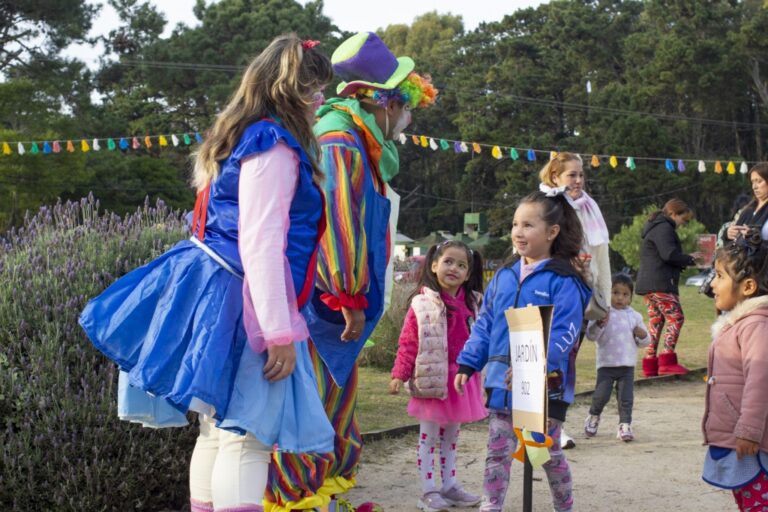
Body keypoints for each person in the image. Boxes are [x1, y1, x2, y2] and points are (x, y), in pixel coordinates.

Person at [79, 34, 335, 512]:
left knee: (217, 431)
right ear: (292, 93)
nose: (321, 103)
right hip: (244, 297)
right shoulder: (273, 145)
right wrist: (277, 331)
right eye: (316, 91)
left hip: (218, 287)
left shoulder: (242, 136)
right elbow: (260, 242)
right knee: (246, 435)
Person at [264, 32, 437, 512]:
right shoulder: (340, 140)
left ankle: (327, 498)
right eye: (405, 104)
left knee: (334, 402)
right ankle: (299, 502)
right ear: (384, 102)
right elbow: (339, 226)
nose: (408, 117)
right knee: (313, 406)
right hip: (325, 305)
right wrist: (347, 297)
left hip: (334, 303)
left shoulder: (357, 136)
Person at [454, 191, 591, 512]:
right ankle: (491, 506)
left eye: (528, 225)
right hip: (503, 382)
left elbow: (566, 332)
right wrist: (467, 363)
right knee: (497, 450)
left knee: (542, 452)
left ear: (552, 232)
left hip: (546, 388)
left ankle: (564, 506)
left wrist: (538, 364)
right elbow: (485, 323)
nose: (518, 231)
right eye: (515, 224)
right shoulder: (503, 276)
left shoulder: (564, 281)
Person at [388, 240, 487, 512]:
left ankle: (450, 485)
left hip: (461, 382)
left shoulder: (474, 304)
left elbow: (483, 339)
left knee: (452, 437)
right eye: (448, 262)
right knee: (428, 437)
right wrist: (399, 373)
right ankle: (428, 491)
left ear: (468, 273)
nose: (453, 268)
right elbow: (408, 343)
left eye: (461, 265)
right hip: (432, 380)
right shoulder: (421, 304)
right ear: (434, 266)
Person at [539, 151, 611, 450]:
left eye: (581, 174)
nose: (579, 180)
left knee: (566, 364)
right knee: (547, 362)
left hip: (582, 296)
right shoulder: (546, 206)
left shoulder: (590, 207)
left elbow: (602, 257)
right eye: (572, 175)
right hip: (552, 295)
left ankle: (557, 426)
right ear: (555, 177)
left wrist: (604, 301)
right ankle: (541, 423)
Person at [702, 229, 768, 511]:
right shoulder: (739, 323)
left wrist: (750, 430)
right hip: (737, 437)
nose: (712, 285)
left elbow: (760, 379)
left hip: (750, 440)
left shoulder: (756, 325)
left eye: (720, 276)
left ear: (748, 287)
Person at [583, 273, 650, 442]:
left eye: (625, 294)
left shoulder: (634, 316)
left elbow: (645, 342)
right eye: (615, 292)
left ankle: (624, 425)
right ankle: (593, 416)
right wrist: (599, 324)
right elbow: (591, 336)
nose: (620, 298)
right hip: (606, 365)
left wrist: (642, 335)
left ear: (630, 297)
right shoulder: (603, 312)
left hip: (627, 366)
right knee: (601, 396)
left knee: (626, 399)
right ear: (608, 293)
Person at [635, 198, 696, 377]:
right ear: (673, 214)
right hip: (661, 282)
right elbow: (669, 254)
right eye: (683, 220)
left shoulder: (655, 227)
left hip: (648, 284)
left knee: (656, 321)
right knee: (676, 318)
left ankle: (650, 364)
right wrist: (690, 258)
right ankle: (667, 359)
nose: (682, 224)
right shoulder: (664, 228)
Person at [723, 163, 768, 243]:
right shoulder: (748, 209)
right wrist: (728, 234)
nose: (754, 186)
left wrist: (755, 240)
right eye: (752, 182)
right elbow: (733, 242)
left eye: (759, 181)